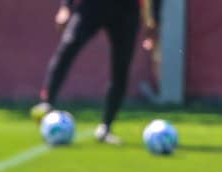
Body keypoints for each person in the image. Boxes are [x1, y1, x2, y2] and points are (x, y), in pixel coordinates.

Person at [31, 0, 155, 144]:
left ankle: (106, 127)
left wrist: (152, 18)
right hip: (93, 5)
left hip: (126, 9)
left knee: (121, 68)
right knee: (68, 46)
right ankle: (47, 102)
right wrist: (65, 7)